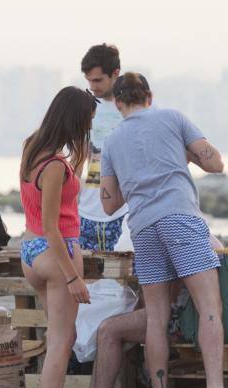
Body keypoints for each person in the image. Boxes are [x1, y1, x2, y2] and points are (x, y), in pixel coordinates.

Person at [100, 73, 228, 388]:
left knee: (155, 318)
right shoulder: (173, 117)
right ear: (149, 96)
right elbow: (216, 163)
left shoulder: (112, 141)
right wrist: (183, 156)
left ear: (118, 103)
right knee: (209, 307)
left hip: (144, 228)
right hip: (180, 218)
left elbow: (109, 204)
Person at [66, 234, 224, 388]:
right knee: (114, 324)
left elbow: (162, 303)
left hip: (183, 320)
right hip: (200, 316)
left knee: (109, 329)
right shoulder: (196, 231)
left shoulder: (165, 236)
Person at [19, 86, 96, 388]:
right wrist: (72, 278)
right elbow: (53, 226)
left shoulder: (33, 146)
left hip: (30, 250)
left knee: (57, 336)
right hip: (56, 250)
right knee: (61, 339)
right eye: (87, 121)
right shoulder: (54, 166)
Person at [78, 43, 128, 252]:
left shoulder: (132, 108)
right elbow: (78, 158)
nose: (92, 86)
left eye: (98, 80)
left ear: (115, 73)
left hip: (124, 211)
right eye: (89, 80)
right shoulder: (84, 108)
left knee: (129, 281)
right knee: (87, 281)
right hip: (85, 211)